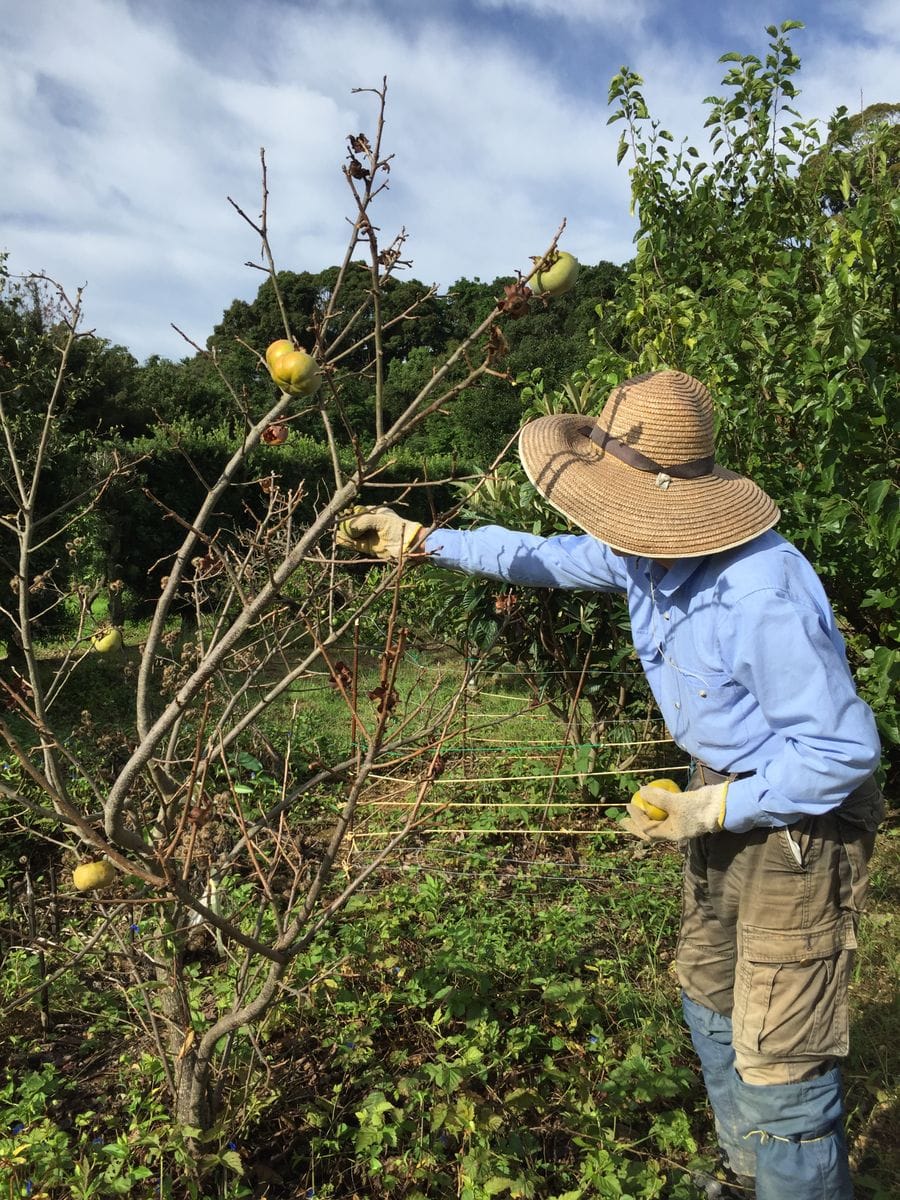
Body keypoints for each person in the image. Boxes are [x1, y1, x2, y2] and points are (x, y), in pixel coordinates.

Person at [336, 370, 884, 1200]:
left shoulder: (759, 593)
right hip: (722, 792)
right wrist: (421, 540)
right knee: (708, 993)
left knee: (782, 1046)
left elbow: (842, 752)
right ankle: (748, 1174)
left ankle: (795, 1177)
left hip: (802, 823)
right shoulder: (645, 555)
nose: (607, 529)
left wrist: (709, 807)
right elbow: (546, 558)